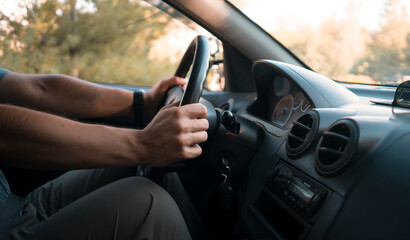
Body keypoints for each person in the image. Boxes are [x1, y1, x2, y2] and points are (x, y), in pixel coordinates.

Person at [0, 68, 209, 239]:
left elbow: (39, 90)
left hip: (16, 204)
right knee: (149, 207)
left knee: (136, 169)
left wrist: (142, 101)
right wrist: (143, 144)